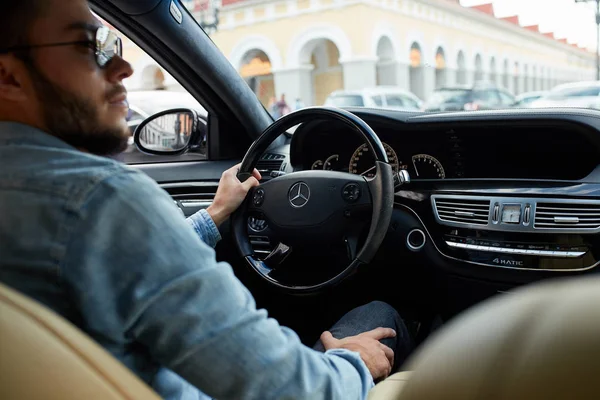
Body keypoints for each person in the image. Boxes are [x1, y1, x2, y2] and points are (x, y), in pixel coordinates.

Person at [0, 1, 413, 399]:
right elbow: (292, 388)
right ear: (9, 76)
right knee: (384, 314)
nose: (123, 66)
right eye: (89, 46)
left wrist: (214, 215)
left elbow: (131, 271)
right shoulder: (103, 204)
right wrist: (351, 362)